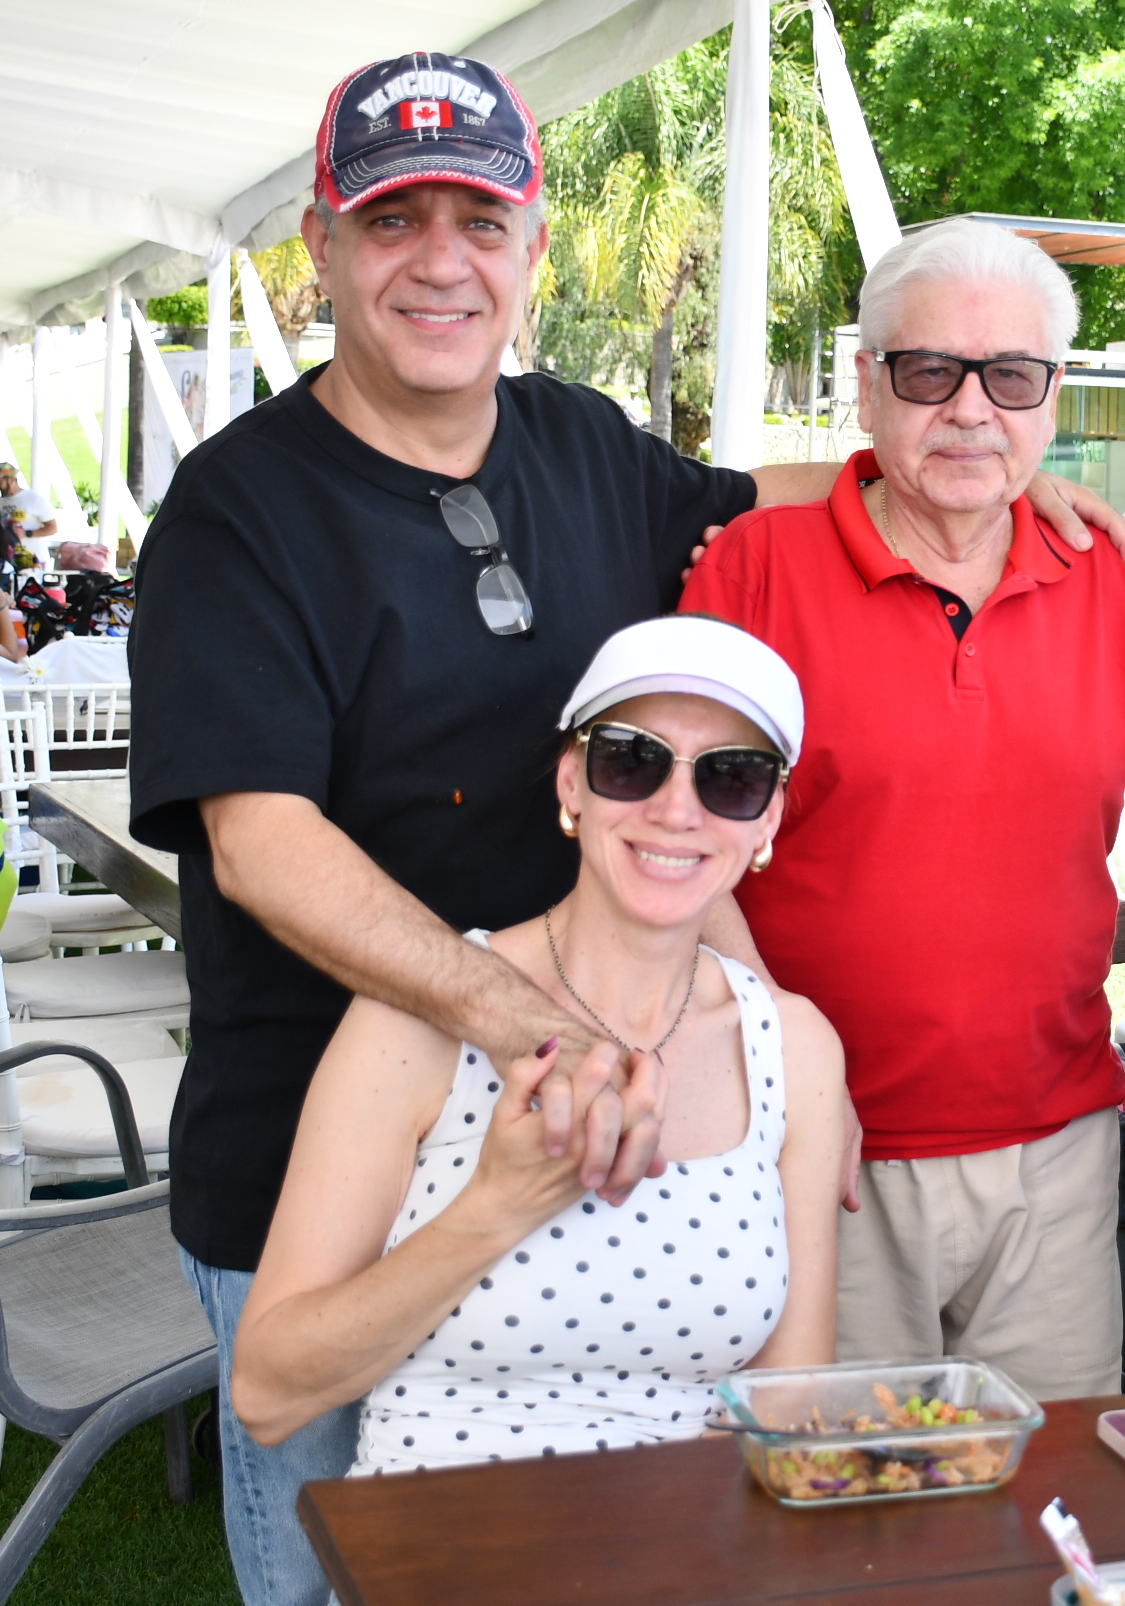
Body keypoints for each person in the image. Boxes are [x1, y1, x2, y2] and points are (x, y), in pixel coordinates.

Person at [128, 50, 1125, 1606]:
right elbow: (262, 843)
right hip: (325, 1151)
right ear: (321, 246)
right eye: (394, 222)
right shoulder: (237, 508)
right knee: (354, 1570)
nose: (442, 263)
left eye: (482, 221)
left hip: (608, 1124)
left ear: (533, 246)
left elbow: (766, 492)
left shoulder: (577, 441)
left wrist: (975, 476)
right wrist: (537, 1030)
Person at [681, 217, 1125, 1401]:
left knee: (1048, 1488)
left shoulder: (1112, 575)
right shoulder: (754, 568)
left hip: (1056, 1158)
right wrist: (781, 1077)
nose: (972, 410)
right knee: (838, 1491)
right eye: (931, 372)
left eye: (1011, 377)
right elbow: (679, 860)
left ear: (1052, 396)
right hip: (817, 1147)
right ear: (869, 384)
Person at [230, 617, 844, 1470]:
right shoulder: (418, 1022)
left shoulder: (792, 1048)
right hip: (445, 1531)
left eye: (731, 778)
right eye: (631, 761)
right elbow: (266, 1392)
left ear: (768, 816)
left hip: (689, 1535)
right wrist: (497, 1207)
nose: (676, 810)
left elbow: (789, 1402)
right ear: (571, 783)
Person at [0, 461, 59, 541]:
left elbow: (53, 528)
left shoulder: (34, 499)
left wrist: (27, 534)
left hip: (32, 549)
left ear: (11, 480)